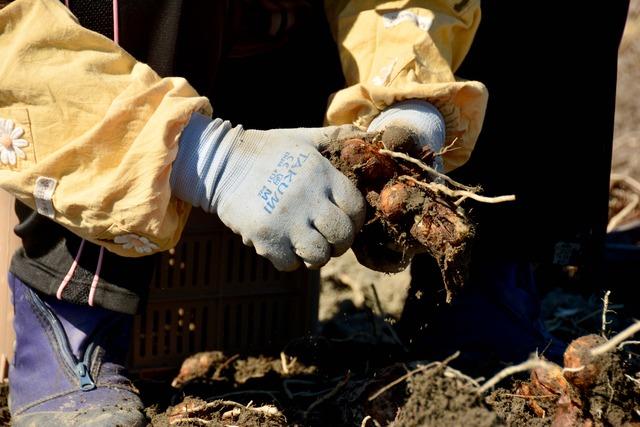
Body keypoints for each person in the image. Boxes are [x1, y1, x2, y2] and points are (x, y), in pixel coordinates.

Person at [1, 0, 626, 425]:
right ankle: (72, 309)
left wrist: (410, 98)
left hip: (308, 62)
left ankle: (480, 289)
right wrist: (206, 158)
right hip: (115, 87)